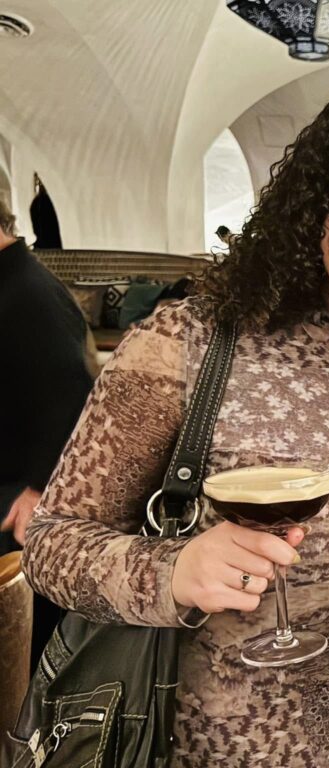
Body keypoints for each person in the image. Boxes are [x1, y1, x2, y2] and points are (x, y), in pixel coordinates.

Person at [22, 77, 329, 767]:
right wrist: (172, 572)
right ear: (317, 193)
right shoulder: (189, 342)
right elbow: (51, 544)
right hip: (189, 749)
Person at [0, 195, 94, 667]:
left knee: (24, 657)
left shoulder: (29, 293)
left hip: (21, 509)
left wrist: (40, 488)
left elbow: (75, 396)